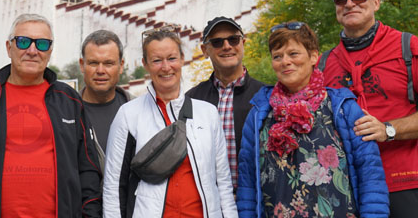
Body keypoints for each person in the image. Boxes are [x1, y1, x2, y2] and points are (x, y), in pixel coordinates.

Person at [0, 13, 102, 217]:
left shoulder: (69, 99)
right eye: (23, 42)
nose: (32, 51)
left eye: (42, 44)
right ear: (9, 48)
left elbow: (88, 169)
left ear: (50, 51)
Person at [322, 0, 418, 218]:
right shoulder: (324, 62)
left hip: (402, 183)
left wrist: (388, 129)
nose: (350, 3)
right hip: (346, 188)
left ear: (376, 2)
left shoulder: (408, 45)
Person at [237, 22, 389, 218]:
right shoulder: (259, 115)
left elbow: (370, 175)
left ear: (313, 57)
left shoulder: (343, 108)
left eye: (293, 54)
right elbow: (247, 185)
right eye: (277, 56)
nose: (285, 61)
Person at [103, 26, 237, 218]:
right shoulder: (128, 115)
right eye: (157, 60)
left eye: (172, 58)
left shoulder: (207, 114)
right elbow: (113, 186)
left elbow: (223, 182)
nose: (166, 67)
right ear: (145, 64)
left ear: (182, 59)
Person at [186, 16, 267, 190]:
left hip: (255, 200)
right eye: (217, 42)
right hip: (208, 203)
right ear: (204, 50)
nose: (227, 46)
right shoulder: (191, 100)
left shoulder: (266, 95)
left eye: (233, 39)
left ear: (243, 43)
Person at [79, 30, 132, 153]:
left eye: (108, 63)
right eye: (93, 63)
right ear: (82, 65)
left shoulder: (139, 109)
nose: (101, 70)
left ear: (121, 65)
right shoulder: (66, 113)